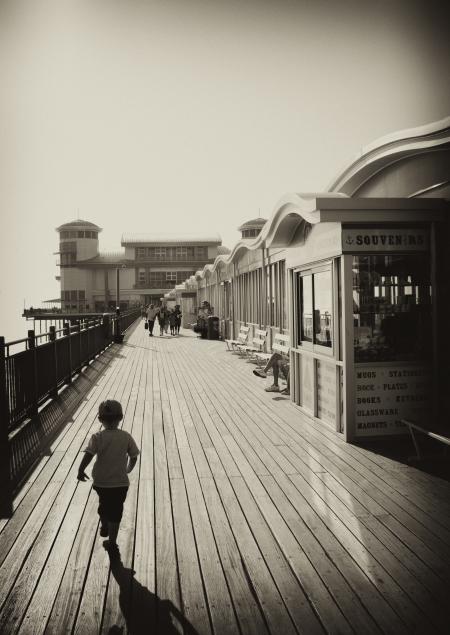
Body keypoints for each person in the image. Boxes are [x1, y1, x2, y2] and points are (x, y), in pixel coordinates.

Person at [77, 400, 140, 551]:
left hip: (102, 482)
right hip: (120, 483)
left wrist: (81, 470)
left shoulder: (97, 437)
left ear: (100, 419)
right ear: (121, 418)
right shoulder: (126, 437)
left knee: (104, 504)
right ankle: (112, 542)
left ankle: (104, 522)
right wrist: (128, 469)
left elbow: (89, 455)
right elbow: (134, 455)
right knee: (116, 511)